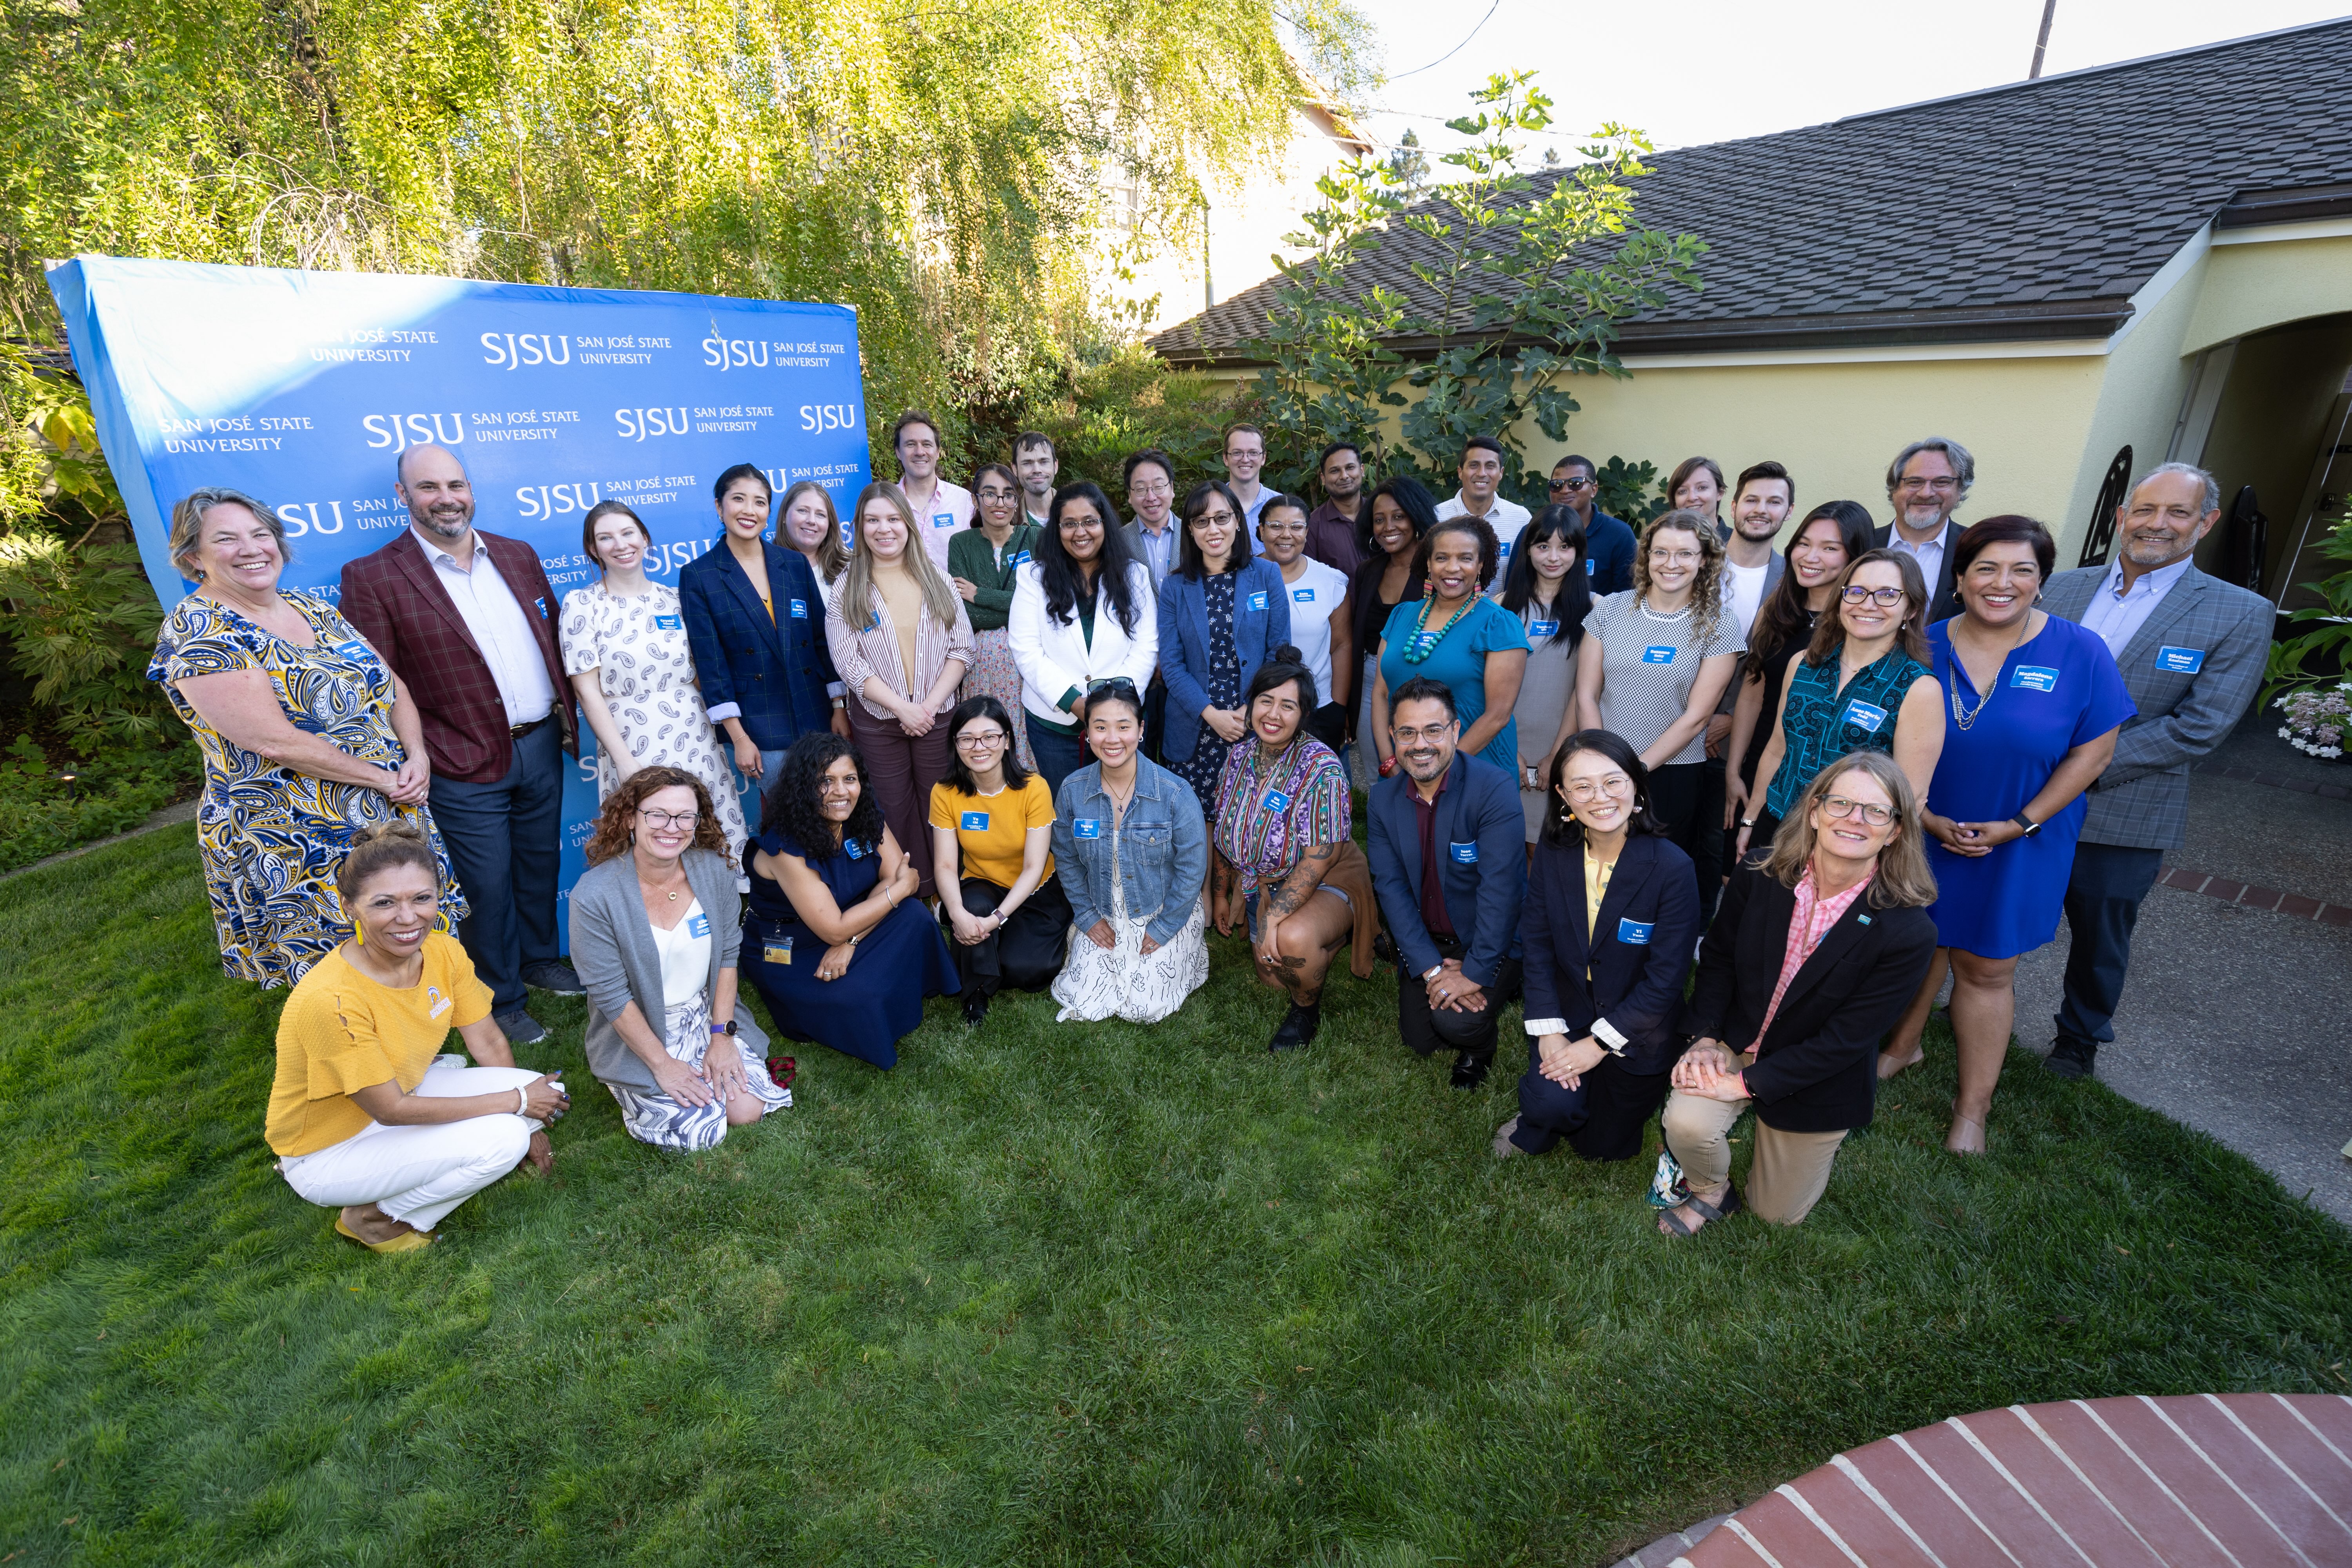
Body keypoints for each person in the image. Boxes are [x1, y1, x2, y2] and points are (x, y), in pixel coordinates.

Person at [1882, 516, 2133, 1154]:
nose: (2003, 583)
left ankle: (1973, 1109)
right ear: (1960, 578)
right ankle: (1902, 1049)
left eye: (2022, 570)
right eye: (1986, 569)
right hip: (1926, 824)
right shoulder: (1921, 645)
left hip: (2024, 835)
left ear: (2042, 581)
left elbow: (2094, 754)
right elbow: (1888, 740)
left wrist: (2021, 824)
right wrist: (1924, 814)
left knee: (1986, 967)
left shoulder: (2081, 652)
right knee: (1921, 943)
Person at [150, 486, 463, 989]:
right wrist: (383, 780)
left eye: (260, 534)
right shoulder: (199, 632)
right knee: (343, 976)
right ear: (193, 558)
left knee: (410, 948)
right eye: (226, 539)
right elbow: (275, 742)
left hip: (389, 809)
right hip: (296, 831)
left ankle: (421, 1048)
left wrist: (418, 757)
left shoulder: (309, 607)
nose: (251, 549)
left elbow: (393, 686)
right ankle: (369, 1067)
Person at [339, 443, 580, 1044]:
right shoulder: (373, 576)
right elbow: (377, 680)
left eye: (456, 484)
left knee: (538, 863)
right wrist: (418, 751)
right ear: (404, 497)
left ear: (470, 489)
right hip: (458, 756)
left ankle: (541, 957)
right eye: (428, 488)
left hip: (540, 740)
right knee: (486, 883)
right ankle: (499, 997)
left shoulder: (518, 556)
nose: (446, 498)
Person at [2040, 462, 2272, 1079]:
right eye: (2144, 510)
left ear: (2206, 523)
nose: (2157, 525)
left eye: (2177, 513)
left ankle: (2078, 1040)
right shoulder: (2059, 589)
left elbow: (2201, 727)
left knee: (2100, 936)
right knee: (1993, 903)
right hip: (2024, 794)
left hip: (2127, 807)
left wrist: (2080, 767)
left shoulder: (2239, 613)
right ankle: (1961, 1003)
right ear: (2122, 518)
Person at [1653, 753, 1940, 1234]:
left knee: (1775, 1217)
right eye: (1841, 803)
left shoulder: (1909, 931)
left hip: (1817, 1073)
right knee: (1686, 1124)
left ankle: (1766, 1130)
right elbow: (1719, 959)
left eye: (1876, 811)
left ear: (1895, 831)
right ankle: (1711, 1191)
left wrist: (1741, 1085)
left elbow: (1847, 1040)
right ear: (1814, 811)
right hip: (1738, 1037)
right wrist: (1704, 1037)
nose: (1855, 819)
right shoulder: (1758, 873)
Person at [268, 820, 564, 1252]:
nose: (408, 918)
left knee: (547, 1091)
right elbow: (390, 1110)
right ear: (349, 905)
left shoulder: (444, 950)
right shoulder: (331, 999)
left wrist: (530, 1115)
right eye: (385, 903)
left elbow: (488, 1041)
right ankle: (376, 1218)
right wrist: (518, 1108)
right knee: (504, 1139)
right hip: (328, 1147)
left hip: (399, 1088)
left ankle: (399, 1189)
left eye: (422, 898)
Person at [1492, 730, 1696, 1158]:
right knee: (1552, 1105)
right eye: (1582, 786)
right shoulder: (1554, 848)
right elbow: (1538, 939)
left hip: (1639, 1021)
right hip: (1570, 1007)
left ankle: (1602, 1101)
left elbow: (1665, 980)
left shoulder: (1673, 868)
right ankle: (1538, 1116)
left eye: (1613, 781)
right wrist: (1548, 1029)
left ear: (1636, 785)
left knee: (1603, 1148)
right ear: (1564, 796)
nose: (1600, 797)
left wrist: (1598, 1045)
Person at [568, 769, 791, 1151]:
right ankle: (626, 1082)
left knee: (747, 1110)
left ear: (696, 822)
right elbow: (611, 996)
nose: (672, 827)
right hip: (642, 1030)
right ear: (629, 818)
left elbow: (726, 957)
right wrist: (662, 1065)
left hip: (703, 1016)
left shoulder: (713, 871)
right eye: (657, 814)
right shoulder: (594, 897)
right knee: (704, 1133)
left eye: (685, 816)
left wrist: (722, 1037)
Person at [741, 733, 957, 1071]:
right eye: (825, 782)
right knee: (858, 997)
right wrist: (897, 893)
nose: (841, 792)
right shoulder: (785, 846)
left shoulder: (865, 815)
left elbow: (897, 875)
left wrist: (853, 941)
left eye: (850, 779)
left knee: (915, 916)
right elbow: (894, 890)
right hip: (792, 944)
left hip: (850, 922)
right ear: (803, 787)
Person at [559, 500, 748, 863]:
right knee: (652, 842)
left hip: (695, 738)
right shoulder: (582, 604)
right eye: (606, 538)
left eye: (628, 533)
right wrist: (625, 761)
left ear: (645, 539)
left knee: (710, 835)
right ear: (592, 549)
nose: (621, 544)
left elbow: (699, 674)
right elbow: (587, 691)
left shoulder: (674, 600)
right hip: (631, 743)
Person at [1211, 650, 1379, 1051]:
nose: (1273, 713)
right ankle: (1331, 940)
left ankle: (1306, 1011)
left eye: (1288, 705)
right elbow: (1223, 830)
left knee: (1292, 943)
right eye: (1266, 701)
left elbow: (1319, 859)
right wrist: (1220, 892)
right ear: (1251, 706)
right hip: (1263, 882)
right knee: (1272, 978)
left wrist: (1274, 922)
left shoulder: (1323, 767)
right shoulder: (1238, 756)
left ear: (1304, 714)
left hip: (1328, 877)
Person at [1368, 679, 1528, 1088]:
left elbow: (1503, 891)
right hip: (1432, 938)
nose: (1420, 744)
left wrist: (1474, 972)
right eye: (1407, 733)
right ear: (1393, 737)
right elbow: (1391, 890)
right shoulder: (1383, 800)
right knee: (1420, 1039)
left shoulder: (1493, 788)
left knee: (1456, 1023)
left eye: (1433, 730)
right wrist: (1432, 969)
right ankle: (1479, 991)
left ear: (1455, 731)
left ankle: (1482, 1044)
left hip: (1492, 936)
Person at [824, 482, 976, 899]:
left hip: (937, 713)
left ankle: (951, 889)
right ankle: (911, 891)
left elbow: (963, 647)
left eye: (893, 519)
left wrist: (925, 707)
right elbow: (849, 663)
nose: (884, 529)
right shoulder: (847, 587)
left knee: (940, 804)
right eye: (873, 520)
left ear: (908, 524)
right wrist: (901, 709)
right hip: (878, 720)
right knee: (892, 806)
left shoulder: (938, 579)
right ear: (859, 528)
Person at [1737, 549, 1942, 858]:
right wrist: (1751, 817)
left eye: (1887, 595)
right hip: (1776, 826)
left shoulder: (1918, 688)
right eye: (1857, 592)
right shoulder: (1803, 664)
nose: (1867, 604)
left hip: (1849, 844)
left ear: (1911, 609)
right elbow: (1778, 748)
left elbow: (1911, 795)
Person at [678, 463, 847, 829]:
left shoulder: (793, 563)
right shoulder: (700, 575)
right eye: (738, 499)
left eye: (759, 502)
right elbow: (712, 665)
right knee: (797, 820)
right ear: (719, 507)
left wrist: (838, 706)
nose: (749, 510)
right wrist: (739, 737)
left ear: (770, 511)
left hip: (815, 713)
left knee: (834, 812)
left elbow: (821, 640)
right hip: (760, 727)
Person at [1573, 510, 1744, 866]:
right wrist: (1604, 764)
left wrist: (1636, 770)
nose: (1671, 563)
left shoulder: (1719, 624)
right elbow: (1586, 694)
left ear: (1704, 560)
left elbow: (1698, 718)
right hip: (1602, 769)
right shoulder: (1609, 610)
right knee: (1595, 865)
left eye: (1685, 553)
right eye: (1662, 552)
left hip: (1672, 773)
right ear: (1647, 556)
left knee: (1656, 874)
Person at [1049, 679, 1211, 1023]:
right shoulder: (1072, 791)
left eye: (1124, 727)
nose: (1112, 739)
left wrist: (1165, 927)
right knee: (1082, 996)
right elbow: (1065, 858)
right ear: (1088, 733)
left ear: (1141, 730)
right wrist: (1088, 917)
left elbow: (1193, 868)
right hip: (1103, 908)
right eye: (1100, 727)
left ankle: (1189, 952)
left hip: (1164, 908)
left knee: (1144, 1007)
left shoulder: (1175, 793)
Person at [1724, 501, 1877, 859]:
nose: (1810, 556)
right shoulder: (1775, 609)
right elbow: (1751, 693)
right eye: (1804, 543)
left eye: (1830, 548)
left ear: (1855, 557)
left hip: (1820, 778)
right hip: (1760, 761)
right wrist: (1734, 770)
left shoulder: (1859, 624)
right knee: (1740, 874)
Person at [1009, 480, 1160, 798]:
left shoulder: (1134, 576)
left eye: (1090, 521)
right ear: (1056, 529)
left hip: (1120, 724)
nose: (1081, 532)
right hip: (1055, 724)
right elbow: (1026, 650)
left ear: (1105, 523)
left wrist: (1113, 709)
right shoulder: (1033, 578)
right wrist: (1076, 703)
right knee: (1068, 809)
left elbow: (1146, 647)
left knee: (1121, 804)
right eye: (1069, 524)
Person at [929, 695, 1071, 1025]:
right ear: (956, 745)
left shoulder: (1034, 788)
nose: (979, 747)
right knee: (972, 909)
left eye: (990, 736)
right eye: (967, 738)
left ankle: (986, 942)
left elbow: (1034, 868)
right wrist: (959, 912)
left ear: (1007, 740)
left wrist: (995, 921)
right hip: (982, 882)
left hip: (1035, 886)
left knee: (1032, 971)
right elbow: (946, 866)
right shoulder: (945, 792)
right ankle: (975, 992)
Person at [1159, 479, 1293, 815]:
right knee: (1196, 829)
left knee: (1251, 822)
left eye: (1222, 518)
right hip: (1196, 724)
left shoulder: (1267, 574)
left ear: (1237, 520)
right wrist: (1211, 715)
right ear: (1190, 530)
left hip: (1252, 721)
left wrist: (1251, 708)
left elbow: (1279, 652)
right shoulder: (1174, 587)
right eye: (1201, 521)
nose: (1213, 529)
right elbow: (1172, 665)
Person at [1369, 514, 1531, 778]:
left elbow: (1497, 716)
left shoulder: (1499, 624)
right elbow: (1380, 693)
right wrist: (1391, 762)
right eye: (1442, 558)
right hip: (1409, 769)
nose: (1452, 568)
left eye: (1465, 558)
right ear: (1429, 564)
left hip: (1476, 769)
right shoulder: (1401, 615)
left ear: (1480, 565)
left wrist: (1436, 771)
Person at [1495, 506, 1593, 840]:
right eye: (1543, 546)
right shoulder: (1500, 607)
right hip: (1504, 742)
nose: (1553, 557)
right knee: (1505, 848)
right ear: (1528, 550)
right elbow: (1484, 689)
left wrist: (1559, 753)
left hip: (1567, 744)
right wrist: (1511, 752)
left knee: (1550, 851)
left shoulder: (1597, 609)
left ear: (1579, 552)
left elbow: (1588, 690)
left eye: (1565, 547)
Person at [949, 463, 1040, 770]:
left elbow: (1042, 606)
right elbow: (965, 614)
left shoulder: (1037, 539)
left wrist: (981, 594)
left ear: (1018, 500)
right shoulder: (961, 543)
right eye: (990, 494)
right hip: (980, 669)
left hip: (1030, 663)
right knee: (985, 739)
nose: (1000, 503)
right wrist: (1016, 606)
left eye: (1008, 495)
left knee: (1028, 744)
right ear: (975, 499)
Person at [1345, 476, 1433, 788]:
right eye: (1379, 520)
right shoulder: (1368, 571)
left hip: (1423, 683)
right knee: (1378, 774)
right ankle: (1384, 835)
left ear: (1416, 516)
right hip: (1373, 682)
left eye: (1398, 517)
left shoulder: (1436, 572)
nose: (1388, 527)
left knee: (1422, 774)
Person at [1256, 493, 1354, 754]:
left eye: (1296, 527)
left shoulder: (1329, 581)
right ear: (1261, 530)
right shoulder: (1242, 577)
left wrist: (1338, 707)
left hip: (1316, 706)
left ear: (1307, 532)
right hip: (1255, 708)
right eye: (1276, 526)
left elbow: (1342, 645)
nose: (1286, 535)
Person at [1875, 437, 1973, 624]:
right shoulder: (1859, 544)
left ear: (1960, 490)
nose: (1926, 493)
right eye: (1914, 482)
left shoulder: (1977, 550)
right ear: (1894, 488)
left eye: (1942, 482)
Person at [891, 408, 974, 573]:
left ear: (937, 452)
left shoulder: (964, 501)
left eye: (927, 444)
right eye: (911, 444)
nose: (920, 452)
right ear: (898, 452)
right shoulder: (886, 503)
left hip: (954, 598)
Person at [1548, 454, 1638, 594]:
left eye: (1576, 483)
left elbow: (1626, 600)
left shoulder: (1619, 535)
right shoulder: (1533, 532)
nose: (1565, 490)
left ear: (1594, 490)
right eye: (1557, 484)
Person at [1436, 435, 1532, 565]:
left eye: (1490, 466)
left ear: (1501, 473)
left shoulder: (1521, 519)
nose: (1482, 473)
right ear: (1460, 472)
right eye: (1474, 465)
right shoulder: (1437, 516)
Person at [1121, 448, 1184, 590]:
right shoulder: (1118, 541)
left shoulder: (1194, 534)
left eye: (1158, 487)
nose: (1151, 497)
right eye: (1141, 489)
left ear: (1172, 488)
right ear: (1130, 495)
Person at [1304, 440, 1368, 575]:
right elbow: (1309, 578)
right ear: (1323, 478)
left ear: (1362, 470)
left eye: (1350, 468)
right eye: (1335, 471)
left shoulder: (1380, 514)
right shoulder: (1313, 526)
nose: (1344, 476)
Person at [777, 478, 849, 584]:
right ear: (784, 516)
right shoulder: (768, 567)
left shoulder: (851, 564)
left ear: (830, 523)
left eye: (820, 514)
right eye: (803, 511)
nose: (812, 521)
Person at [1221, 423, 1276, 541]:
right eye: (1237, 453)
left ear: (1264, 458)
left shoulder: (1280, 506)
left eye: (1253, 453)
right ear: (1226, 458)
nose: (1245, 460)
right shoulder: (1211, 506)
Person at [1013, 430, 1061, 528]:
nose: (1037, 470)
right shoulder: (1009, 520)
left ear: (1055, 466)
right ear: (1015, 469)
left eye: (1044, 462)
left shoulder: (1074, 513)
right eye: (1027, 463)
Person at [1667, 456, 1726, 530]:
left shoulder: (1740, 541)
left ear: (1720, 493)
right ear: (1675, 502)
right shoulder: (1662, 541)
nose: (1692, 498)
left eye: (1702, 488)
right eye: (1683, 491)